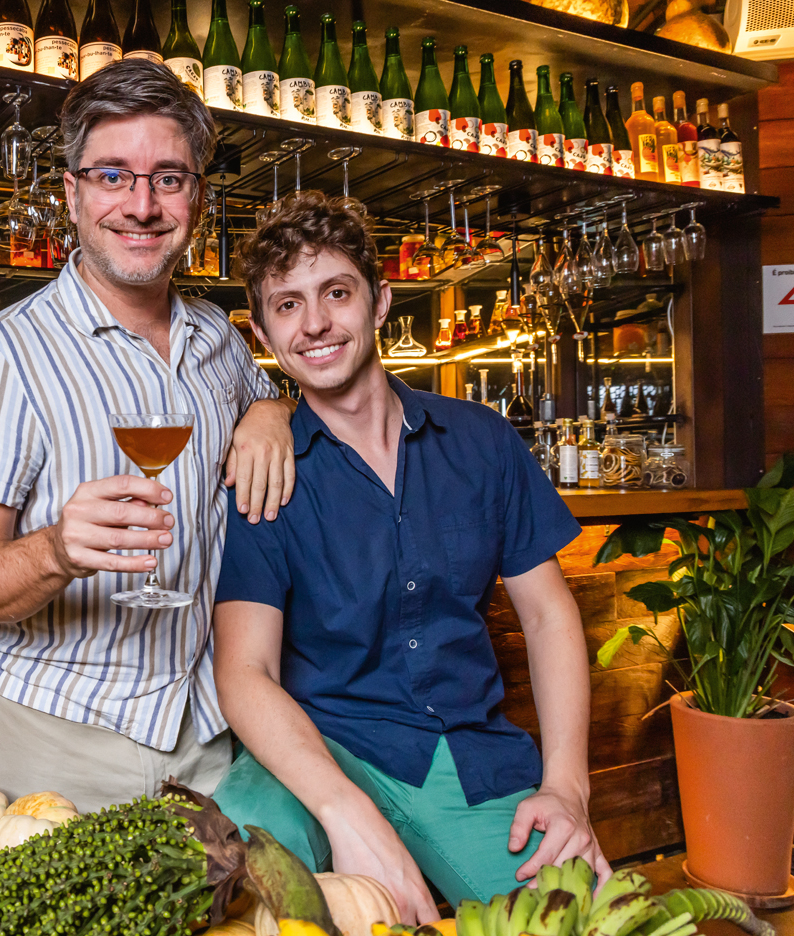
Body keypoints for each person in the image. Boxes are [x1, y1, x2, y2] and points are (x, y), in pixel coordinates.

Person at [210, 192, 610, 924]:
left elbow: (550, 618)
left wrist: (566, 787)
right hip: (317, 748)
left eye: (336, 293)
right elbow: (245, 672)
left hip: (462, 754)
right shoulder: (264, 469)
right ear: (263, 331)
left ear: (380, 300)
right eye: (287, 305)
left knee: (579, 918)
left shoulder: (481, 440)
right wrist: (352, 816)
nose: (316, 323)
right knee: (230, 868)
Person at [0, 59, 296, 814]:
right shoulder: (2, 352)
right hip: (57, 741)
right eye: (112, 176)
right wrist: (57, 549)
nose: (142, 204)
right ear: (70, 193)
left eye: (168, 177)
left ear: (196, 196)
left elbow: (276, 401)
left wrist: (270, 410)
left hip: (209, 735)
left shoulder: (220, 343)